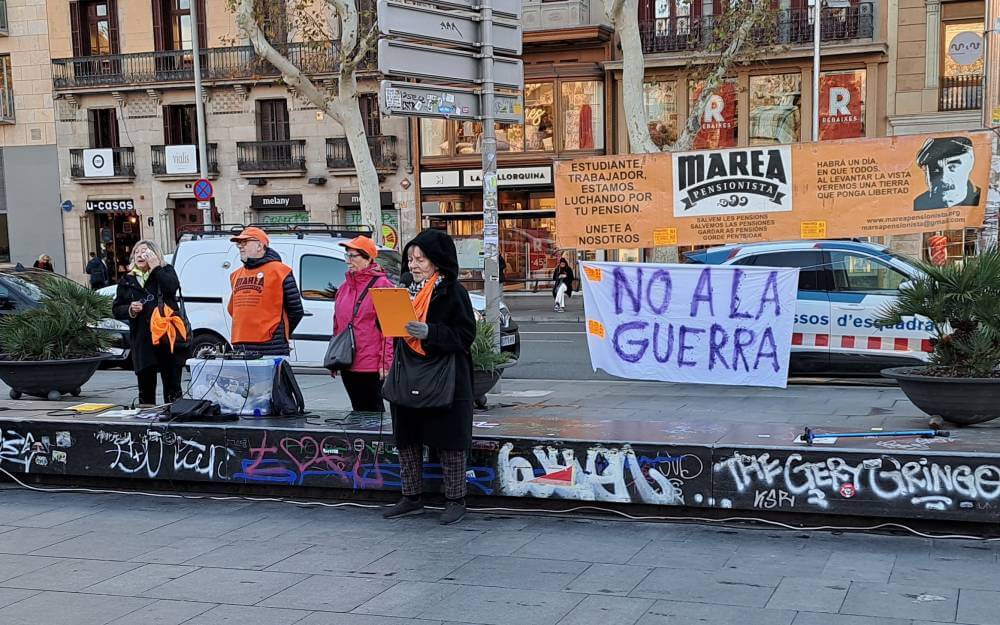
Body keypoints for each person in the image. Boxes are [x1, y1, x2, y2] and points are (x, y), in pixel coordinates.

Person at [383, 229, 476, 525]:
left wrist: (431, 332)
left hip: (445, 376)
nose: (413, 265)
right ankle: (411, 497)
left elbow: (465, 335)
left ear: (437, 261)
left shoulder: (452, 291)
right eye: (410, 259)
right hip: (408, 372)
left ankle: (455, 500)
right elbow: (390, 327)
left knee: (449, 440)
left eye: (420, 259)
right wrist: (386, 313)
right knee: (407, 437)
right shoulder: (404, 289)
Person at [112, 240, 186, 406]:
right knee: (145, 388)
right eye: (136, 252)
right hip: (143, 339)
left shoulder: (165, 271)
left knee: (172, 386)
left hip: (167, 338)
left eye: (145, 251)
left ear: (154, 254)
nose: (140, 255)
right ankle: (146, 422)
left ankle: (173, 419)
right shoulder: (127, 280)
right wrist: (130, 309)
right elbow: (117, 309)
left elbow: (171, 287)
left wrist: (155, 268)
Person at [331, 235, 394, 412]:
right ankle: (359, 441)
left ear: (368, 259)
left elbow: (389, 330)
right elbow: (338, 325)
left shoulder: (383, 286)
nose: (348, 261)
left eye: (353, 256)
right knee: (358, 409)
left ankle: (374, 441)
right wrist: (334, 358)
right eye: (347, 256)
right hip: (347, 362)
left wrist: (385, 362)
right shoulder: (344, 287)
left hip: (370, 364)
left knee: (373, 412)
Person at [228, 227, 304, 356]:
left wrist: (278, 333)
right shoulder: (236, 275)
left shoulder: (280, 271)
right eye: (238, 243)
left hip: (271, 345)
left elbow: (295, 310)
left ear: (259, 245)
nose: (240, 246)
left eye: (244, 242)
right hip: (241, 345)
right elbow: (232, 309)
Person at [913, 136, 981, 211]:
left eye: (952, 167)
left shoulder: (983, 199)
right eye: (935, 169)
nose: (944, 178)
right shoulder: (918, 204)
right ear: (926, 174)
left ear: (969, 165)